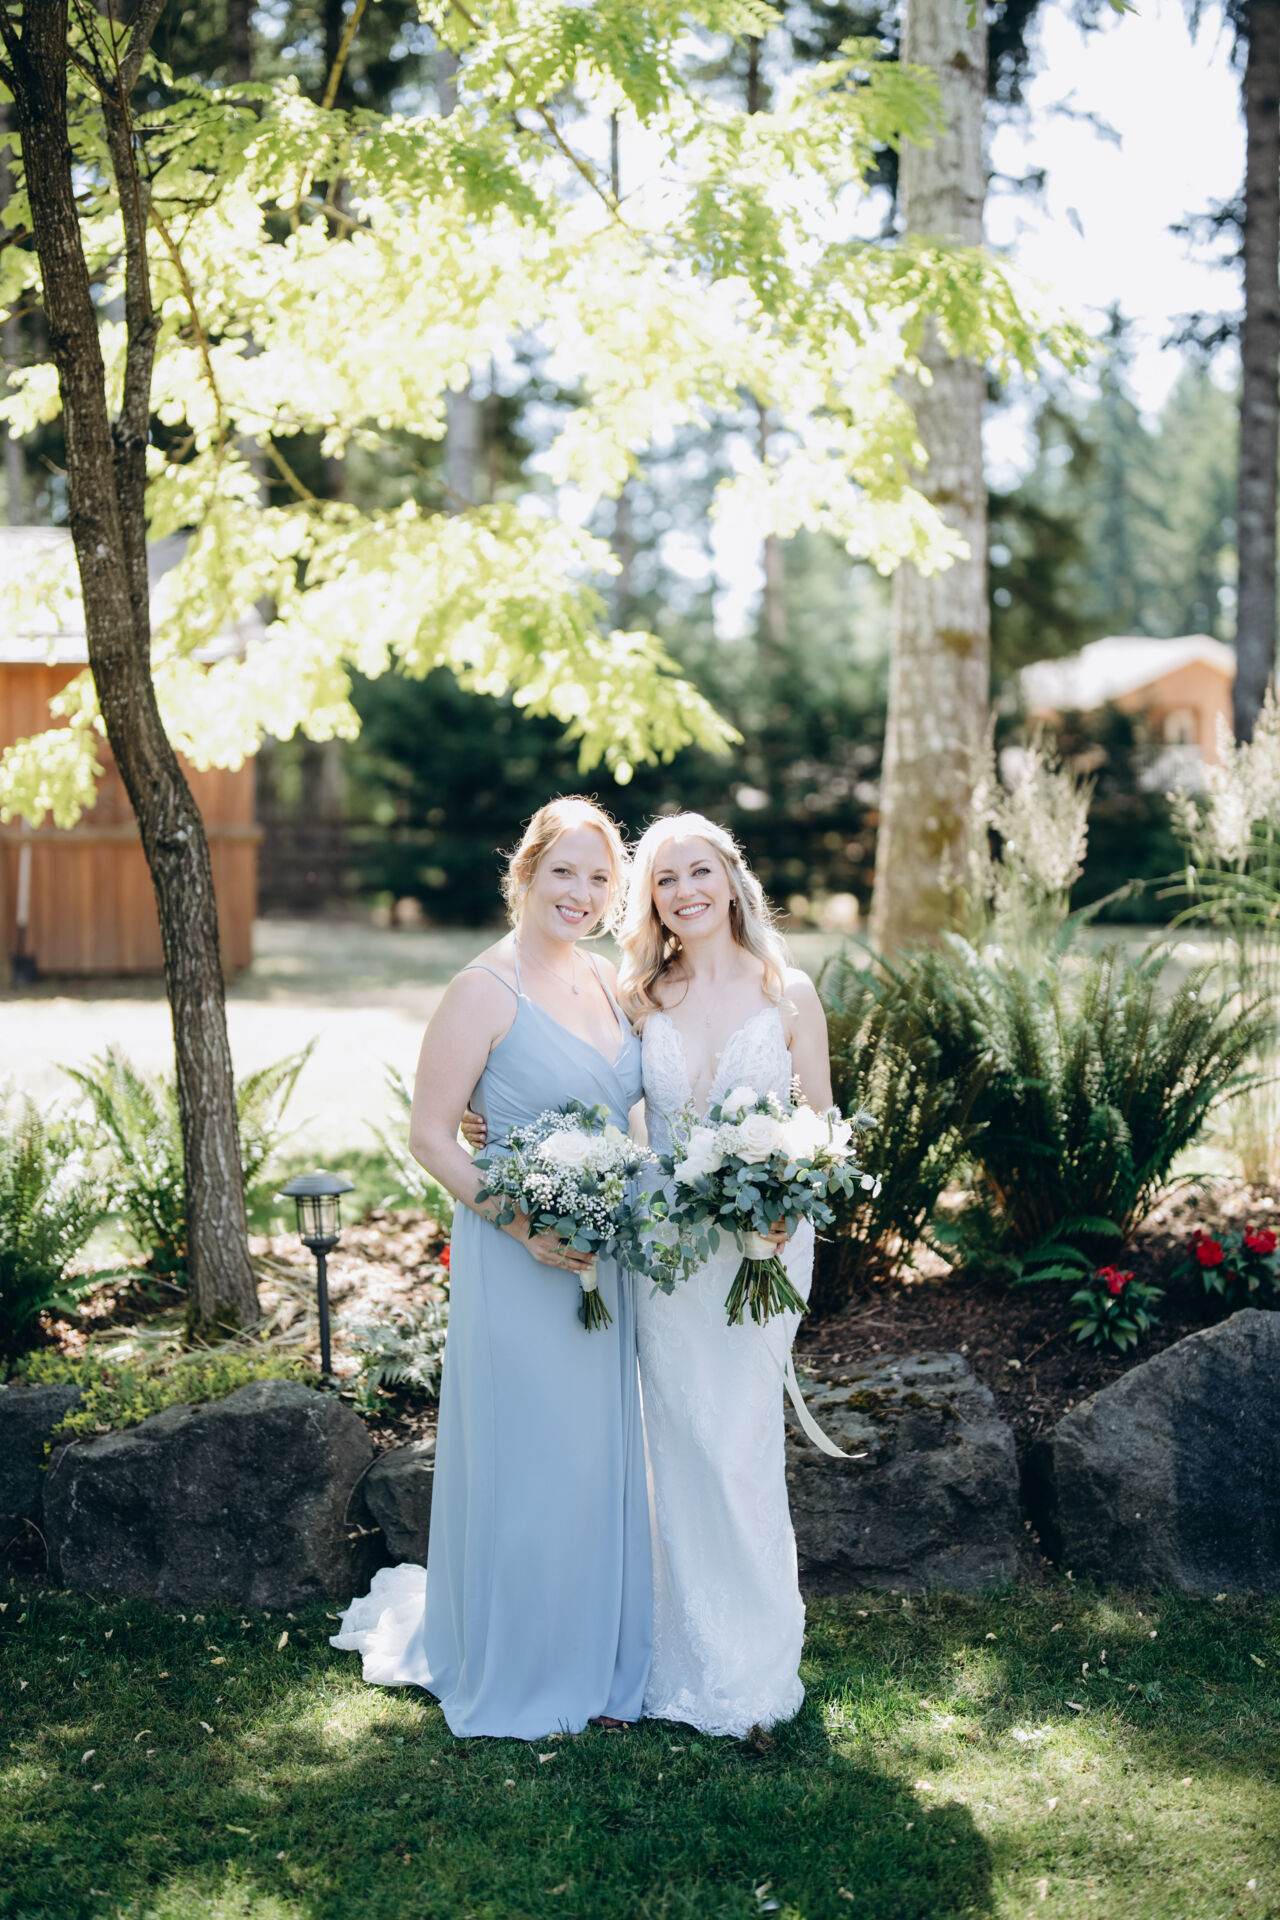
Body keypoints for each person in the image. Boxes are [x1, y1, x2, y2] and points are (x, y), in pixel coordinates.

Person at [330, 797, 652, 1740]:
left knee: (594, 1459)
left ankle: (596, 1652)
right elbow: (433, 1135)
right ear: (525, 873)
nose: (581, 893)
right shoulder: (482, 989)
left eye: (600, 879)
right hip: (518, 1255)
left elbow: (631, 1112)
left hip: (603, 1253)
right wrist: (524, 1227)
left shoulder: (609, 983)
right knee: (534, 1456)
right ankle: (521, 1661)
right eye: (565, 872)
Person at [616, 812, 832, 1738]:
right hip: (667, 1253)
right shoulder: (639, 997)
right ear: (651, 900)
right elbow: (601, 1101)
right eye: (665, 880)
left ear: (731, 878)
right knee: (674, 1436)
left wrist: (789, 1201)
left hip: (763, 1248)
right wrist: (482, 1115)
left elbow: (822, 1124)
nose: (684, 891)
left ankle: (752, 1659)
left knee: (738, 1439)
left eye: (698, 871)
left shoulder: (788, 991)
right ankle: (671, 1644)